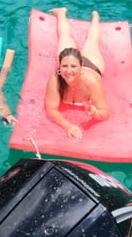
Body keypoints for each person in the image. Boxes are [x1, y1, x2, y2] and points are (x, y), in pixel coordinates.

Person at [44, 8, 110, 139]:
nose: (68, 71)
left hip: (93, 64)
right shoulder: (56, 78)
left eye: (73, 67)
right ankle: (61, 13)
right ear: (59, 67)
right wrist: (67, 125)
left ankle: (95, 17)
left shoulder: (91, 82)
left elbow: (105, 112)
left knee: (92, 41)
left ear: (81, 67)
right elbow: (51, 110)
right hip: (72, 59)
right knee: (65, 37)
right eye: (64, 66)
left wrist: (95, 113)